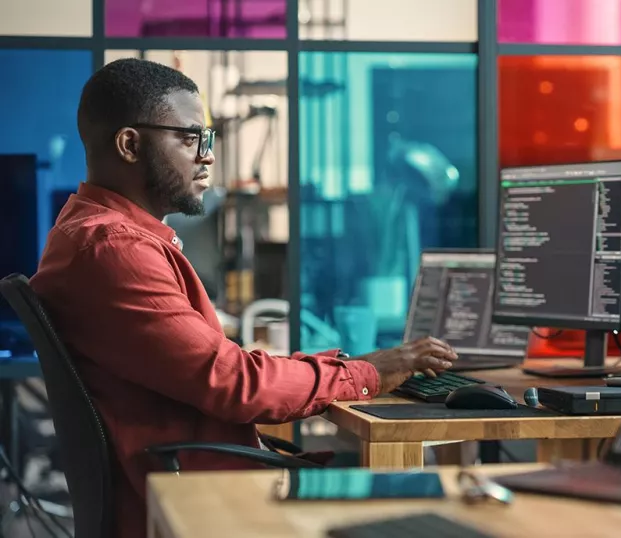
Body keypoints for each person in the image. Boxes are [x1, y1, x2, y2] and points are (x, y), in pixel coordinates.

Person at [30, 58, 458, 538]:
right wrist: (369, 373)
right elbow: (234, 383)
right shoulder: (115, 249)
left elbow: (223, 369)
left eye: (208, 139)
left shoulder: (95, 234)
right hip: (192, 503)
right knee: (436, 505)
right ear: (130, 144)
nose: (208, 156)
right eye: (191, 138)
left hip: (186, 485)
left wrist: (350, 366)